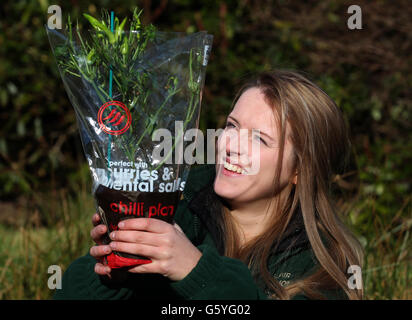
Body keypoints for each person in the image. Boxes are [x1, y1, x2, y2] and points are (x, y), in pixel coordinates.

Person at [54, 70, 363, 300]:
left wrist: (195, 272)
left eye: (260, 139)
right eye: (232, 126)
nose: (231, 145)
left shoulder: (320, 261)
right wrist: (116, 267)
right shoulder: (176, 209)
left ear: (301, 170)